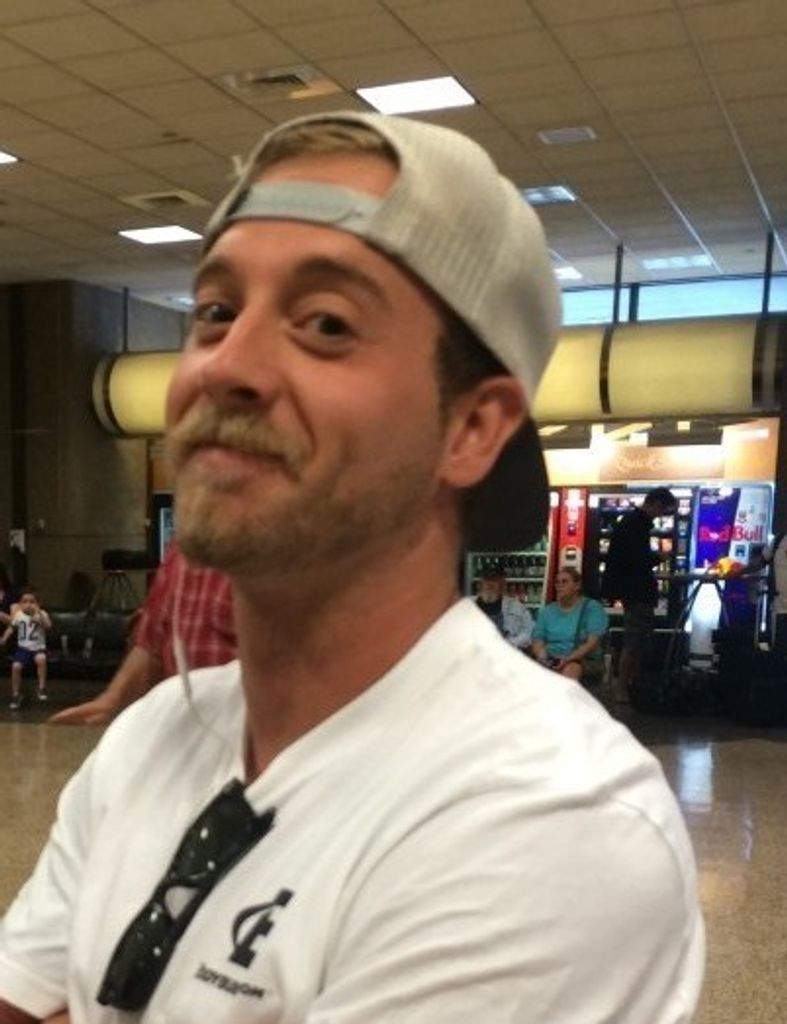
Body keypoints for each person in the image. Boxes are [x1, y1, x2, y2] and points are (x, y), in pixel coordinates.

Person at [0, 112, 703, 1023]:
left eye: (325, 323)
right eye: (215, 312)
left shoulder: (547, 816)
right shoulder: (153, 740)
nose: (226, 365)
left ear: (471, 427)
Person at [50, 541, 235, 726]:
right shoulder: (181, 553)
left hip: (235, 730)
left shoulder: (248, 553)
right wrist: (113, 701)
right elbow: (151, 643)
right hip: (180, 726)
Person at [602, 486, 677, 701]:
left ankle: (630, 686)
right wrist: (658, 558)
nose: (660, 516)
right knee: (635, 642)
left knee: (636, 641)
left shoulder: (631, 522)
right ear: (656, 504)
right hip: (636, 591)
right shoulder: (636, 525)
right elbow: (636, 560)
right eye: (662, 511)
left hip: (631, 591)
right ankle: (623, 688)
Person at [531, 567, 609, 682]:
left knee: (570, 671)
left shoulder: (592, 608)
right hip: (551, 658)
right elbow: (538, 638)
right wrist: (542, 657)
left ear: (577, 586)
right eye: (557, 582)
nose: (559, 585)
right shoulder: (547, 611)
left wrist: (568, 659)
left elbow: (592, 642)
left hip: (581, 658)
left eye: (564, 582)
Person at [2, 590, 52, 709]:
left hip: (38, 648)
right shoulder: (19, 615)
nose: (28, 604)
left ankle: (41, 687)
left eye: (32, 602)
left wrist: (39, 613)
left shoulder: (42, 614)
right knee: (16, 666)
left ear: (38, 603)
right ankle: (16, 694)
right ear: (20, 604)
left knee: (41, 659)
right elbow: (11, 628)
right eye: (24, 602)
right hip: (23, 648)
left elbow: (48, 626)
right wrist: (4, 638)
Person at [474, 565, 533, 651]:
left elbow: (528, 632)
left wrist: (510, 643)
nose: (490, 583)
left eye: (495, 580)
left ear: (502, 584)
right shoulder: (467, 605)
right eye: (487, 580)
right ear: (480, 584)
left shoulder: (517, 607)